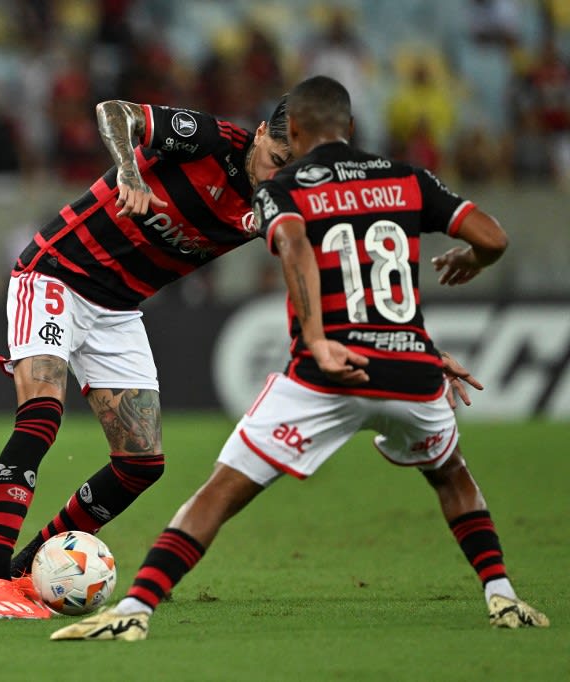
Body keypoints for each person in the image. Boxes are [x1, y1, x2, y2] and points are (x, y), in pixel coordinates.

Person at [50, 75, 549, 641]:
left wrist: (314, 338)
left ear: (300, 130)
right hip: (411, 370)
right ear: (351, 128)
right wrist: (469, 267)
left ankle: (135, 611)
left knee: (220, 490)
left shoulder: (289, 186)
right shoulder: (407, 178)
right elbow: (493, 238)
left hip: (325, 371)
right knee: (452, 475)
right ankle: (503, 594)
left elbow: (294, 246)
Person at [0, 96, 293, 619]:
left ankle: (26, 572)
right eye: (277, 159)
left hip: (117, 307)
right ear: (259, 135)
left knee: (142, 462)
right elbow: (113, 111)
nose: (278, 175)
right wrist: (129, 171)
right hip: (56, 272)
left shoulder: (286, 198)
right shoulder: (209, 139)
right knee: (41, 417)